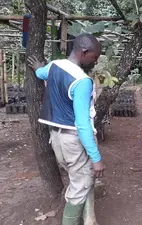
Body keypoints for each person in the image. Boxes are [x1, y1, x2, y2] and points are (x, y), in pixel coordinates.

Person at [27, 33, 105, 225]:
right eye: (94, 58)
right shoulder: (82, 81)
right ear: (84, 53)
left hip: (56, 139)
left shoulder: (55, 66)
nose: (95, 63)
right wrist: (96, 159)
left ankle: (88, 219)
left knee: (78, 178)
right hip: (74, 140)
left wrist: (37, 68)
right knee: (80, 187)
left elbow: (41, 73)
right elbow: (82, 124)